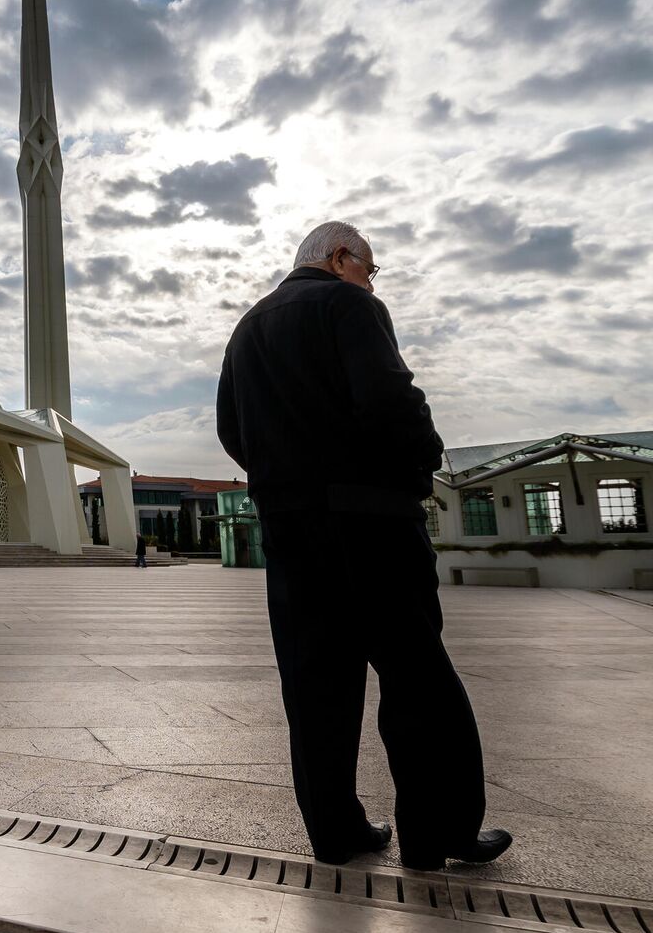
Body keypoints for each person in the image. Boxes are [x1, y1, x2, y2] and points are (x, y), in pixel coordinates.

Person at [216, 222, 510, 873]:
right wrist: (418, 469)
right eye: (370, 270)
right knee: (417, 678)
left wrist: (285, 485)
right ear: (342, 258)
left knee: (316, 685)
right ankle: (437, 834)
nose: (371, 283)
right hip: (371, 521)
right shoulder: (350, 306)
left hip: (290, 533)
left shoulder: (249, 328)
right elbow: (391, 401)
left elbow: (232, 431)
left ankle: (337, 832)